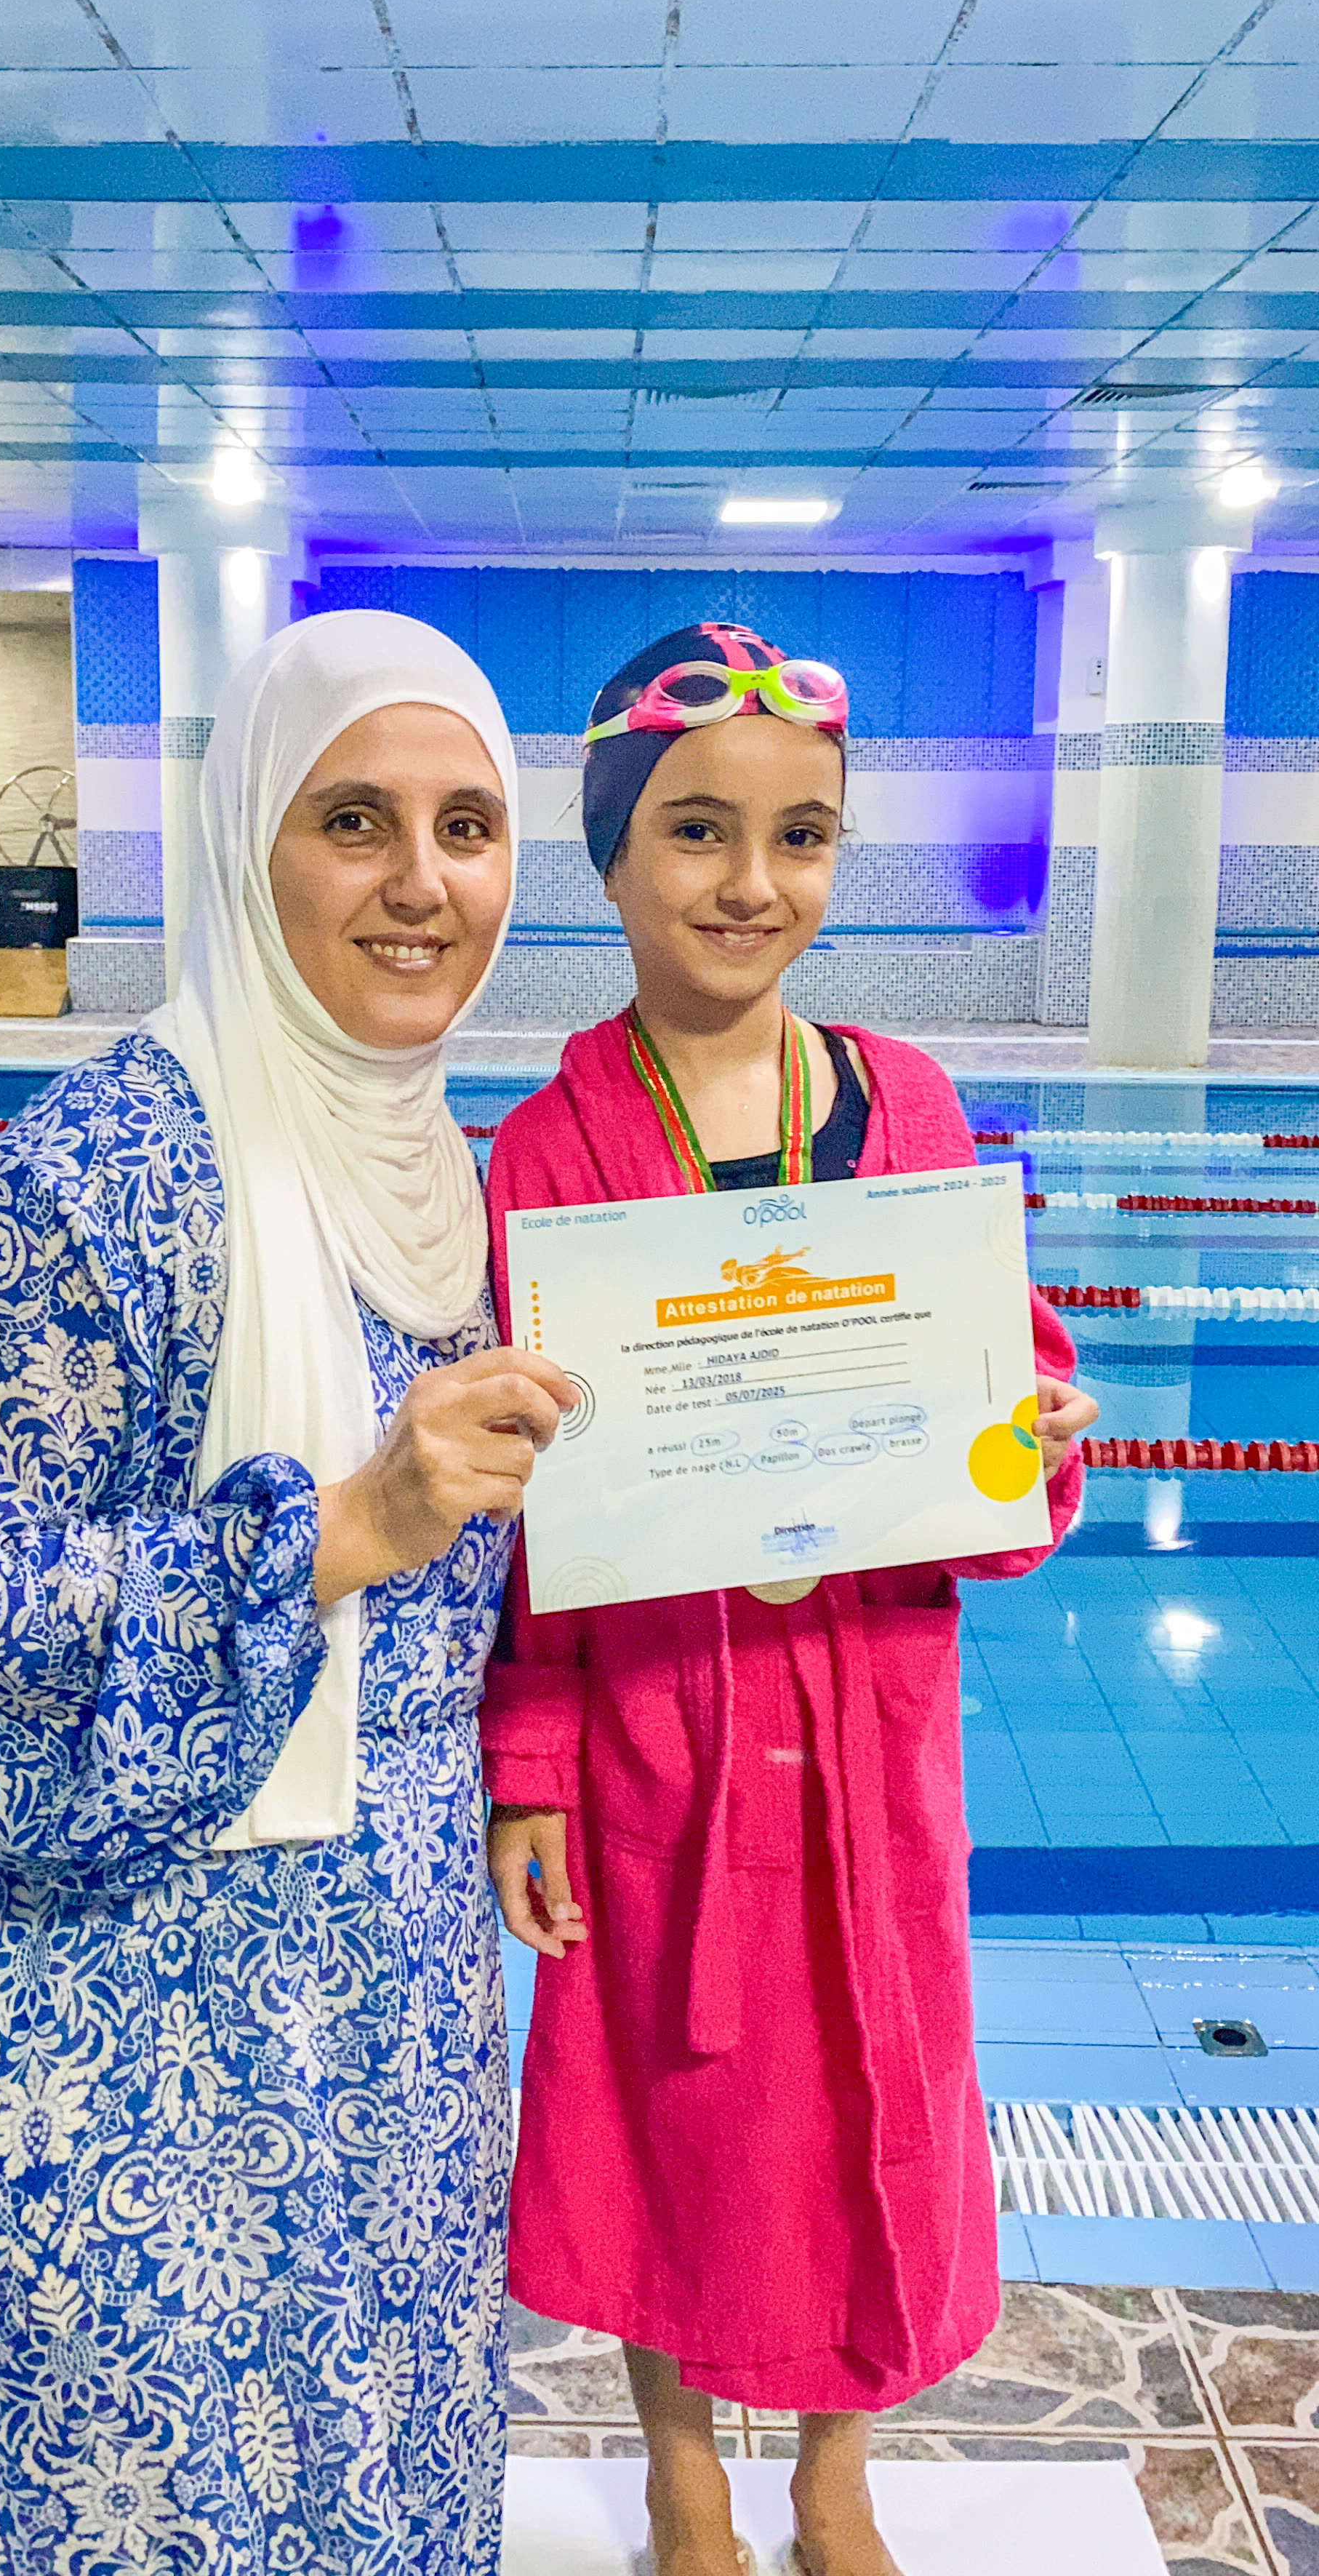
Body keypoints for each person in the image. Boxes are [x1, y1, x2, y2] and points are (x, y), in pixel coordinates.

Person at [0, 610, 576, 2576]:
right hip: (110, 2043)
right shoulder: (99, 1174)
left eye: (469, 826)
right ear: (250, 845)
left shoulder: (451, 1180)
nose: (421, 884)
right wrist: (325, 1532)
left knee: (351, 2492)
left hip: (381, 2028)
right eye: (353, 820)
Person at [481, 623, 1098, 2576]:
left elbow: (991, 1440)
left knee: (871, 2103)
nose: (754, 883)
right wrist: (533, 1766)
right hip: (663, 1730)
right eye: (698, 831)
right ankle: (685, 2476)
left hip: (871, 1730)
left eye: (802, 836)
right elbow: (527, 1521)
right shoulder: (553, 1148)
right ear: (610, 853)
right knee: (670, 2113)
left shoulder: (905, 1104)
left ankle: (837, 2477)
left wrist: (1024, 1437)